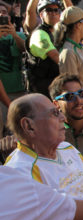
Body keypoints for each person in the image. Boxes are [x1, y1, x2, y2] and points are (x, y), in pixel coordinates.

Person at [24, 0, 64, 97]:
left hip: (54, 87)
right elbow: (57, 57)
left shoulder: (58, 33)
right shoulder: (39, 34)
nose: (53, 13)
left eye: (56, 10)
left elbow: (73, 16)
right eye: (49, 10)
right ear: (41, 15)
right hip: (41, 91)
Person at [0, 3, 26, 132]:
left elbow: (25, 50)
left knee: (22, 129)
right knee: (6, 131)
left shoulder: (19, 35)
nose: (1, 15)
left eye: (4, 12)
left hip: (21, 91)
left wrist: (14, 35)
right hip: (2, 96)